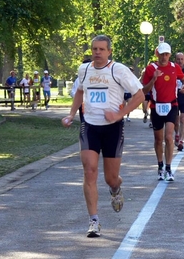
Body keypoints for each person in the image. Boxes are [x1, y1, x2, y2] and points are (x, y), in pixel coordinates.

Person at [61, 35, 144, 238]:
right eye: (94, 49)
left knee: (110, 178)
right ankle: (94, 221)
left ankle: (116, 188)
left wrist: (118, 115)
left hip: (112, 128)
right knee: (89, 171)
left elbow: (140, 95)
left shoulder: (118, 70)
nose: (97, 52)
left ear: (109, 51)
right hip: (90, 126)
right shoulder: (85, 70)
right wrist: (72, 114)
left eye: (101, 49)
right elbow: (80, 91)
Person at [142, 42, 184, 182]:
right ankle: (160, 166)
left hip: (172, 106)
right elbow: (144, 90)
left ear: (169, 55)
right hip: (156, 106)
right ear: (157, 54)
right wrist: (154, 78)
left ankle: (168, 167)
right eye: (162, 54)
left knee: (169, 137)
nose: (164, 57)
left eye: (166, 54)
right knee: (158, 139)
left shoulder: (175, 67)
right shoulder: (151, 69)